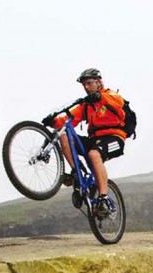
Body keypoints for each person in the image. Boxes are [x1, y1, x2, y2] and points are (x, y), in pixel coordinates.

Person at [50, 67, 129, 217]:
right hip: (95, 140)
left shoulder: (111, 95)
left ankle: (104, 197)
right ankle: (76, 171)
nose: (86, 88)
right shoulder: (86, 106)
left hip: (114, 138)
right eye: (84, 85)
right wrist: (53, 121)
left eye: (89, 83)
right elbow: (68, 120)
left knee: (94, 154)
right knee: (64, 135)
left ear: (99, 82)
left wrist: (99, 97)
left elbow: (117, 102)